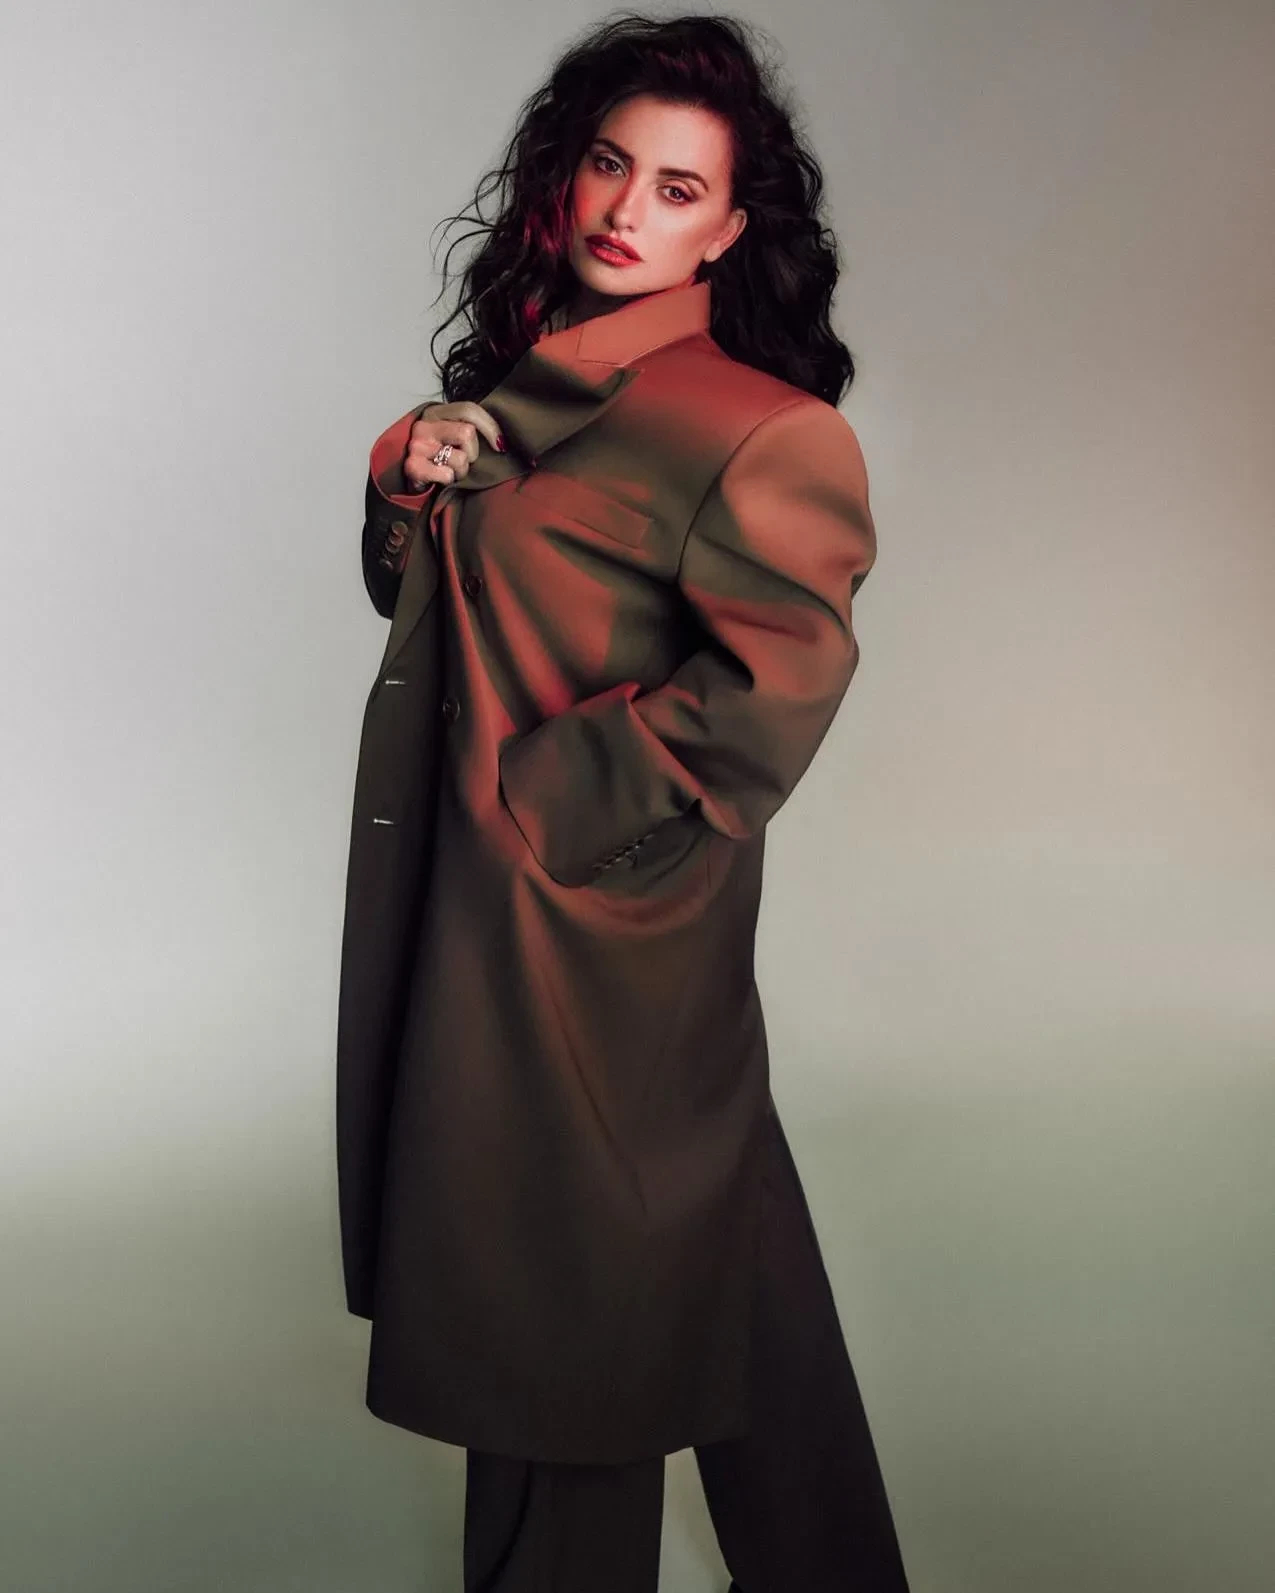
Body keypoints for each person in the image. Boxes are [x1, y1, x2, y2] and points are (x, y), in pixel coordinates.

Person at [336, 13, 912, 1591]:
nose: (623, 209)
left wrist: (551, 809)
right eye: (608, 164)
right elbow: (431, 601)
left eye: (674, 188)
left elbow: (776, 686)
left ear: (727, 229)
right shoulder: (538, 386)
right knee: (723, 1254)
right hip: (519, 906)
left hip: (589, 921)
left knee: (555, 1311)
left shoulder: (760, 428)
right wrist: (412, 466)